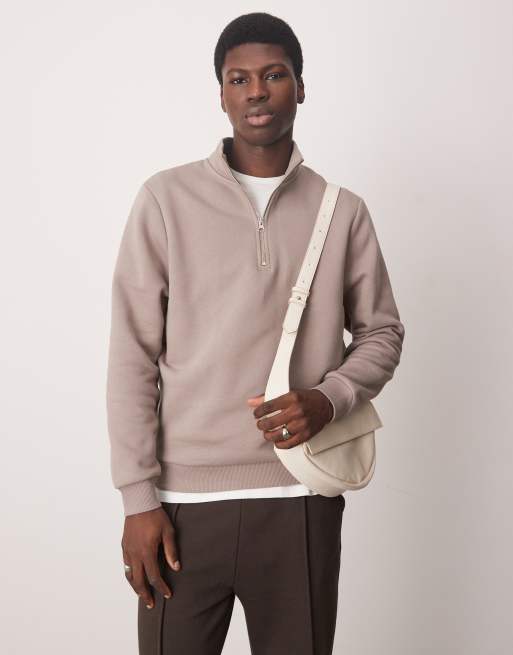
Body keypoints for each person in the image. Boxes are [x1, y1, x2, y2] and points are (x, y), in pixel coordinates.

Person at [106, 11, 405, 655]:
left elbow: (382, 332)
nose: (256, 92)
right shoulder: (165, 199)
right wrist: (137, 500)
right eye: (238, 79)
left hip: (301, 496)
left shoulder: (341, 210)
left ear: (301, 87)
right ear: (221, 95)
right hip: (179, 508)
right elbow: (132, 356)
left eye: (274, 75)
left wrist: (329, 398)